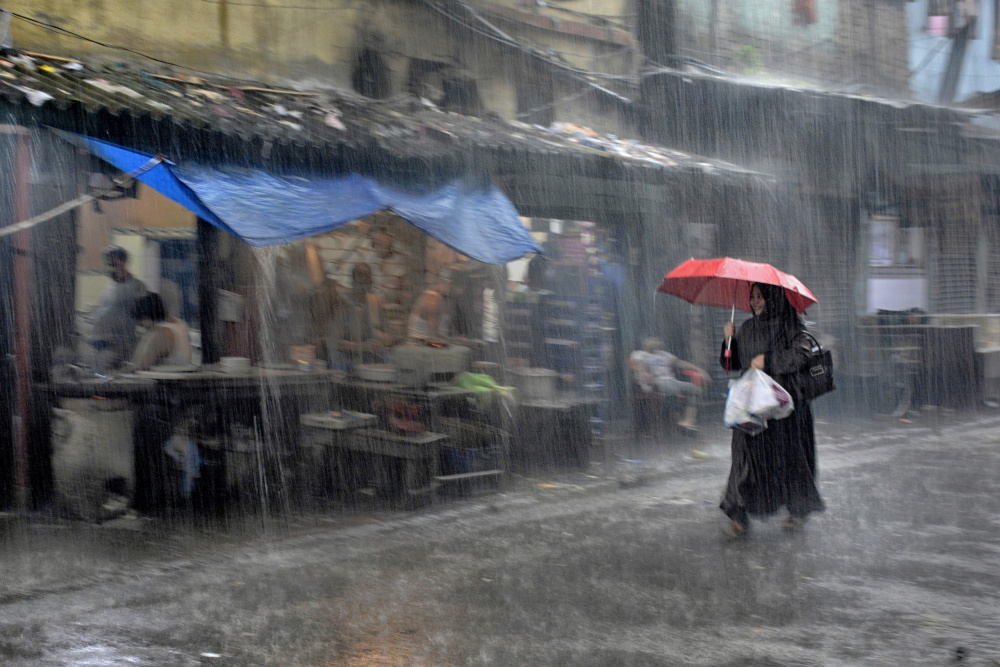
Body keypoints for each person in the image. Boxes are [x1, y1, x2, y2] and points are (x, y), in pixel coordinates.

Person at [719, 282, 825, 539]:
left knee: (789, 462)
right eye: (752, 297)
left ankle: (797, 511)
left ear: (773, 298)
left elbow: (802, 355)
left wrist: (769, 359)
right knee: (744, 460)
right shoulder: (746, 328)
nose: (755, 302)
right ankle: (739, 517)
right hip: (752, 407)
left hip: (785, 410)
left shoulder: (791, 324)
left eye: (760, 297)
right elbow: (730, 365)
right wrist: (728, 340)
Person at [628, 337, 709, 432]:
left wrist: (699, 369)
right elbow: (640, 368)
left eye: (656, 340)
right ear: (644, 343)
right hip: (656, 381)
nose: (655, 342)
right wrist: (644, 382)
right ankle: (679, 421)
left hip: (672, 381)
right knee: (672, 391)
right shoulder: (639, 354)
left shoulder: (665, 354)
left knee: (695, 390)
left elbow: (680, 363)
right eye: (651, 340)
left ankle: (687, 421)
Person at [89, 246, 147, 373]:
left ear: (120, 263)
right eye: (107, 265)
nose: (107, 269)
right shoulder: (112, 285)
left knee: (106, 382)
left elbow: (145, 318)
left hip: (120, 347)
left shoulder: (137, 286)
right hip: (102, 345)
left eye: (110, 265)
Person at [340, 263, 391, 362]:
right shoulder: (343, 303)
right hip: (348, 355)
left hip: (373, 354)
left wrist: (385, 340)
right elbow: (335, 343)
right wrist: (363, 347)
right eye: (360, 282)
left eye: (367, 282)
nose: (364, 287)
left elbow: (383, 332)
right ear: (353, 281)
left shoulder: (376, 302)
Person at [130, 293, 192, 371]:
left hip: (168, 379)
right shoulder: (180, 324)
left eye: (140, 320)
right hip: (181, 376)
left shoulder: (162, 334)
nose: (140, 324)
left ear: (146, 317)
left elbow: (141, 366)